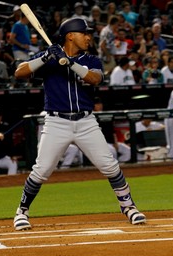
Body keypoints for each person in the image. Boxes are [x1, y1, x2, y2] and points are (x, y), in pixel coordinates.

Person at [13, 18, 146, 230]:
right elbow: (20, 72)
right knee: (42, 169)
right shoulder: (50, 57)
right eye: (84, 33)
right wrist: (46, 57)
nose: (88, 37)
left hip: (86, 122)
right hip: (56, 122)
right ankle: (22, 212)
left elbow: (95, 79)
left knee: (109, 165)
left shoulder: (92, 59)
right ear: (70, 35)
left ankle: (128, 207)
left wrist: (70, 62)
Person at [94, 97, 131, 163]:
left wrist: (115, 142)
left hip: (111, 142)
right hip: (100, 144)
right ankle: (114, 168)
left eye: (101, 104)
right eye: (98, 104)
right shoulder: (90, 117)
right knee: (112, 151)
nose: (100, 106)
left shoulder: (107, 115)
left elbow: (113, 132)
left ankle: (119, 165)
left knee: (129, 151)